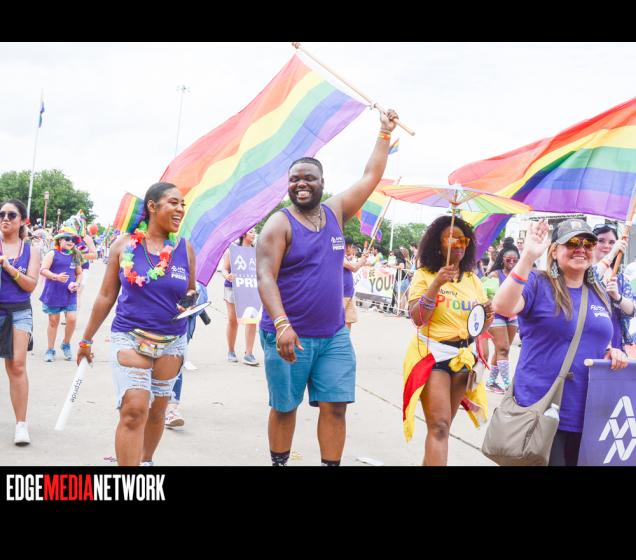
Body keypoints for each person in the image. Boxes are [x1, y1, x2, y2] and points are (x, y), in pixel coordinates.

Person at [257, 108, 398, 467]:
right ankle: (279, 463)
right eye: (294, 180)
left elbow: (371, 176)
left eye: (309, 178)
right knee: (285, 407)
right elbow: (265, 277)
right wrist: (282, 324)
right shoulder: (278, 224)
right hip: (288, 334)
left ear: (322, 182)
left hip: (334, 334)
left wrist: (384, 134)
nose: (301, 184)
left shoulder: (336, 212)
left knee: (336, 407)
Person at [76, 182, 197, 466]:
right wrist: (86, 339)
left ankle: (145, 462)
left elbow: (191, 289)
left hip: (172, 342)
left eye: (182, 204)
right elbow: (106, 295)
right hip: (130, 337)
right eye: (173, 202)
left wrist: (190, 299)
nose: (180, 209)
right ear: (152, 206)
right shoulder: (123, 245)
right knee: (134, 411)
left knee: (156, 412)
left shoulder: (185, 248)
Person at [493, 218, 628, 466]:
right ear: (554, 251)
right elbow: (502, 306)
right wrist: (527, 257)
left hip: (588, 413)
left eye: (588, 244)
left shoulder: (598, 292)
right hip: (541, 409)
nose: (581, 249)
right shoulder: (537, 282)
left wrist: (610, 351)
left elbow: (596, 337)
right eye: (572, 243)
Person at [404, 215, 493, 466]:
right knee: (440, 426)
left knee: (442, 427)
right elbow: (418, 318)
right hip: (432, 356)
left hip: (462, 358)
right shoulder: (424, 275)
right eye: (450, 239)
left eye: (463, 240)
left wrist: (488, 316)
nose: (458, 244)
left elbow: (478, 328)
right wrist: (436, 284)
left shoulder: (473, 280)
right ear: (437, 244)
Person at [0, 199, 41, 445]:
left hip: (18, 311)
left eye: (11, 215)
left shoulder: (31, 251)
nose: (5, 218)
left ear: (22, 220)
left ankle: (21, 425)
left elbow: (30, 286)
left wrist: (8, 267)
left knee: (16, 367)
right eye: (2, 214)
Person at [165, 282, 209, 428]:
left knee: (175, 365)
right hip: (148, 325)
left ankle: (172, 409)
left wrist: (188, 302)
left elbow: (198, 296)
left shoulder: (190, 272)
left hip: (180, 328)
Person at [39, 225, 83, 362]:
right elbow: (43, 270)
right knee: (53, 321)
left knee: (72, 319)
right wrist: (55, 276)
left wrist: (77, 283)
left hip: (69, 293)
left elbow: (79, 273)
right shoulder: (52, 253)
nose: (70, 241)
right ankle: (50, 349)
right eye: (67, 239)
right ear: (60, 240)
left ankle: (66, 344)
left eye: (73, 240)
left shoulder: (75, 256)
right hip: (53, 293)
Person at [484, 239, 521, 393]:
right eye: (508, 259)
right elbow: (484, 294)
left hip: (512, 316)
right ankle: (508, 386)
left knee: (501, 350)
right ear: (502, 259)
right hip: (496, 315)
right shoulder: (495, 275)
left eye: (515, 260)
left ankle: (491, 382)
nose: (512, 262)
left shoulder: (519, 276)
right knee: (504, 349)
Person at [592, 223, 635, 351]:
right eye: (601, 241)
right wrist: (612, 253)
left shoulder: (620, 278)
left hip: (616, 340)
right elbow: (590, 279)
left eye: (612, 242)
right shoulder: (583, 271)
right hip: (591, 338)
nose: (607, 246)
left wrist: (617, 297)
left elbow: (632, 310)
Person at [220, 227, 259, 366]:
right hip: (232, 287)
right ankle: (231, 351)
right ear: (243, 234)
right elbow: (224, 268)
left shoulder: (257, 251)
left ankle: (249, 353)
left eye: (255, 232)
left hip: (251, 287)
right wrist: (227, 275)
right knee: (233, 320)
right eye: (251, 232)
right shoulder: (233, 250)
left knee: (252, 319)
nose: (254, 234)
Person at [343, 237, 367, 330]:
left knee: (349, 320)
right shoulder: (338, 256)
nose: (351, 249)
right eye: (351, 247)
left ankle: (346, 338)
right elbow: (353, 267)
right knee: (339, 321)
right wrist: (362, 260)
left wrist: (363, 259)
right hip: (341, 294)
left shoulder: (345, 257)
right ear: (348, 247)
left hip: (348, 293)